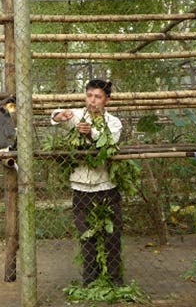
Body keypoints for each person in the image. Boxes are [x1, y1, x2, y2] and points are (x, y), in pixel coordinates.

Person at [51, 79, 124, 286]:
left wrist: (91, 132)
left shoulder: (113, 122)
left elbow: (111, 141)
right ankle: (90, 280)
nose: (93, 101)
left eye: (98, 97)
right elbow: (55, 117)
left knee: (112, 236)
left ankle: (115, 280)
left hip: (107, 187)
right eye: (89, 95)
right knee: (86, 237)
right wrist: (60, 115)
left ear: (107, 100)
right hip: (81, 188)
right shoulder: (77, 116)